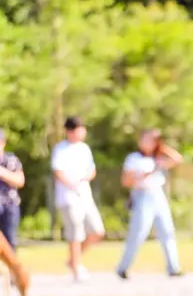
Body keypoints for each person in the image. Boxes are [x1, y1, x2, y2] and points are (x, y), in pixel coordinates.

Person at [116, 129, 184, 280]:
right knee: (138, 233)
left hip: (158, 195)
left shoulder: (158, 158)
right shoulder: (134, 158)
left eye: (151, 140)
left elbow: (178, 158)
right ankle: (123, 267)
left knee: (167, 231)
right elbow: (126, 181)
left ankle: (173, 267)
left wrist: (161, 146)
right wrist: (145, 175)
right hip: (142, 195)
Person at [51, 116, 105, 282]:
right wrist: (70, 183)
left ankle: (73, 260)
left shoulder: (84, 149)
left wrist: (84, 179)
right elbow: (57, 170)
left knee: (97, 231)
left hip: (84, 195)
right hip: (68, 197)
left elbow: (92, 169)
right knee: (75, 233)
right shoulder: (60, 149)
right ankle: (76, 267)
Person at [0, 128, 25, 251]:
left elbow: (20, 181)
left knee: (10, 240)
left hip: (9, 204)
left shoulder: (11, 160)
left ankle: (12, 269)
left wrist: (3, 173)